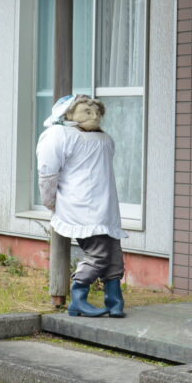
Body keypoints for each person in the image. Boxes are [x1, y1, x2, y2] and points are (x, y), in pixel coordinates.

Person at [37, 94, 128, 318]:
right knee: (98, 254)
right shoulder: (59, 135)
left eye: (97, 112)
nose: (94, 115)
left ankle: (115, 300)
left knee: (113, 254)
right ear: (68, 114)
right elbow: (48, 173)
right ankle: (78, 299)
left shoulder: (104, 139)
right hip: (80, 205)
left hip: (105, 205)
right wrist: (50, 202)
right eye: (87, 111)